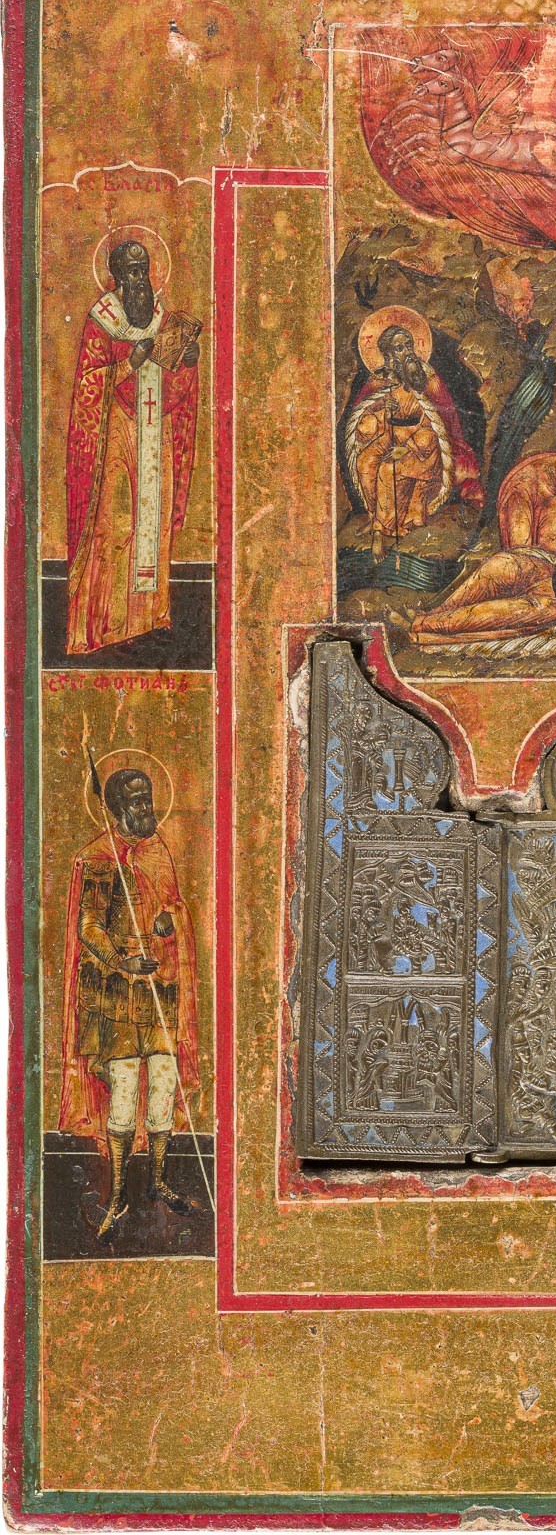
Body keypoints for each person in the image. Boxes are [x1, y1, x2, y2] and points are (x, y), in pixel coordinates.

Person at [59, 767, 200, 1238]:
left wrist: (168, 919)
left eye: (149, 799)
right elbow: (89, 928)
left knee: (162, 1085)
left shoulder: (158, 852)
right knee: (123, 1094)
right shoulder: (99, 859)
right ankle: (118, 1194)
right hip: (117, 994)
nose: (148, 809)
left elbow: (174, 904)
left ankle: (157, 1181)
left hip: (160, 989)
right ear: (118, 809)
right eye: (138, 802)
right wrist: (122, 960)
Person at [64, 241, 200, 655]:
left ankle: (149, 618)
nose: (142, 280)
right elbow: (87, 383)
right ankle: (102, 627)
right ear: (117, 276)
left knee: (153, 522)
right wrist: (129, 363)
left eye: (145, 270)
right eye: (133, 272)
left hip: (156, 428)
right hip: (115, 432)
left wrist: (187, 360)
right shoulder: (102, 318)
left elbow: (176, 381)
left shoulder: (161, 317)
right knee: (115, 525)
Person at [344, 323, 483, 559]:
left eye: (409, 345)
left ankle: (383, 530)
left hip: (422, 446)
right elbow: (363, 422)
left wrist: (406, 447)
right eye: (400, 348)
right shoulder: (379, 379)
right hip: (387, 436)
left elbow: (439, 422)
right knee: (365, 462)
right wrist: (382, 410)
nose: (407, 351)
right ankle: (376, 516)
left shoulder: (425, 377)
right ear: (388, 354)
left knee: (389, 468)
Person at [407, 546, 556, 659]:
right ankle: (435, 614)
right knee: (499, 564)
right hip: (540, 574)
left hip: (546, 604)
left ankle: (422, 625)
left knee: (483, 613)